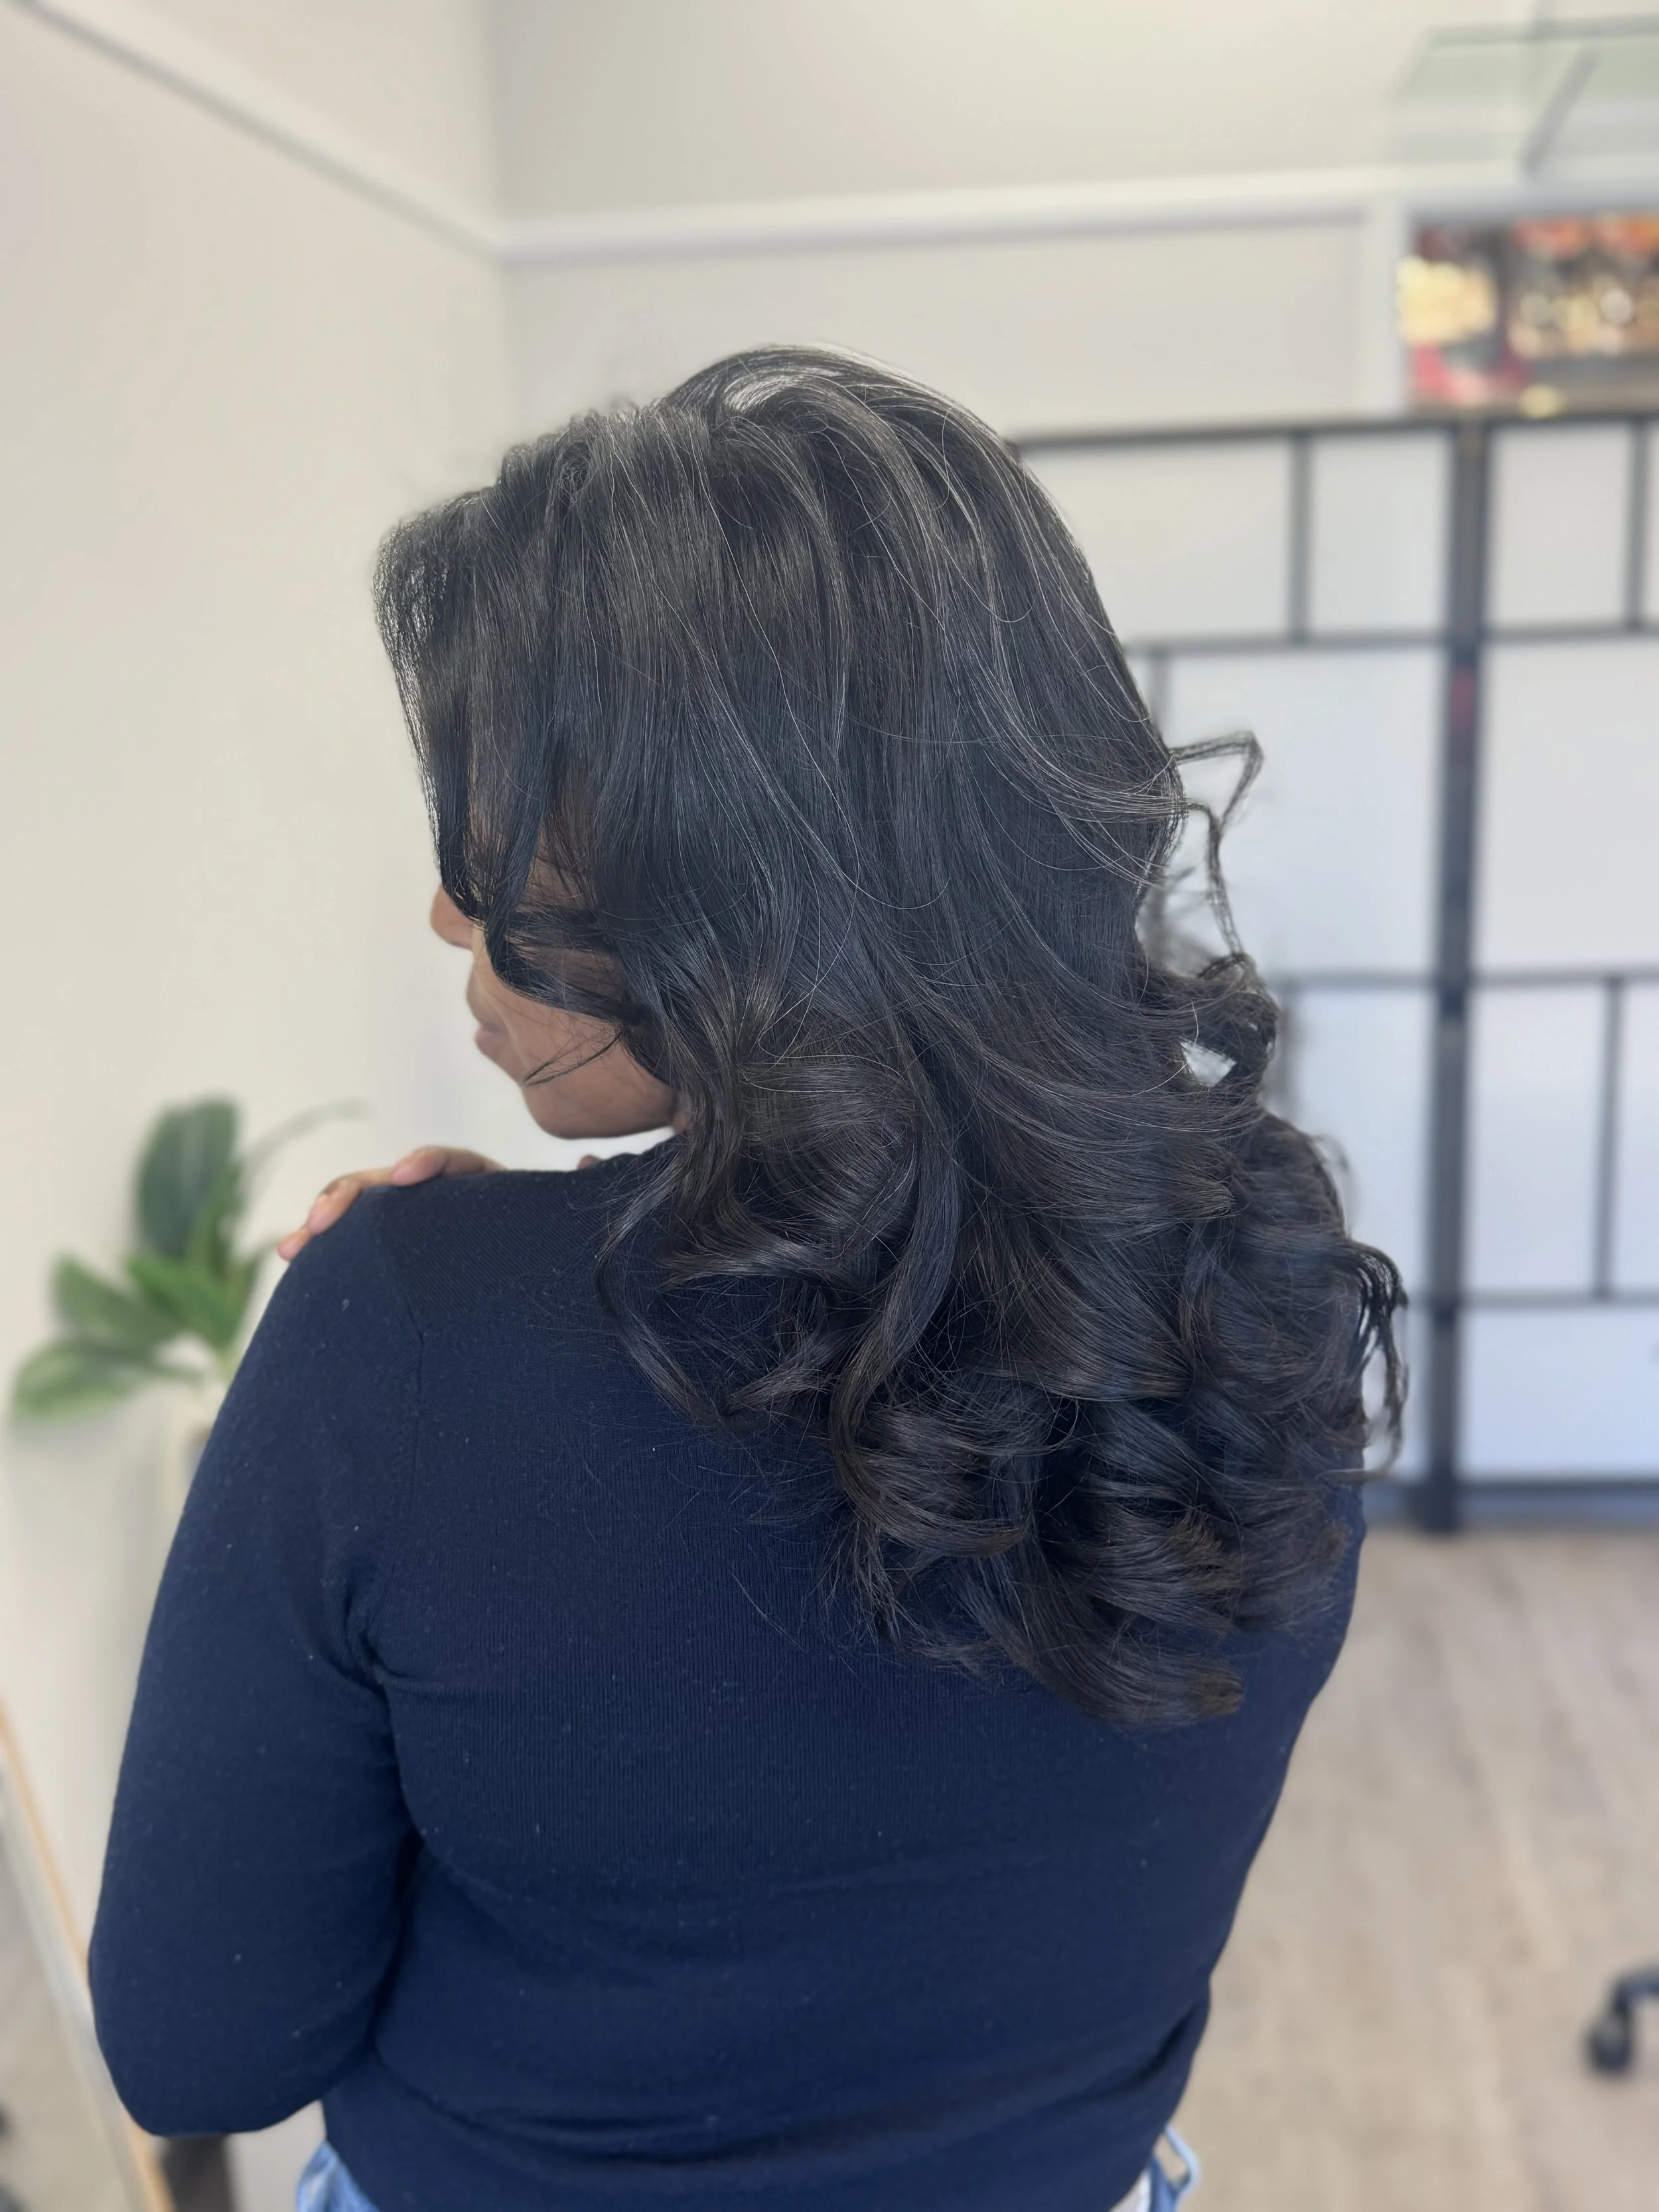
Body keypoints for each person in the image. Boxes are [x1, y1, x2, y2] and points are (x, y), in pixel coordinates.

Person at [90, 347, 1402, 2212]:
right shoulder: (1258, 1259)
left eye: (502, 840)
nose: (450, 911)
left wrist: (427, 1333)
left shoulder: (400, 1332)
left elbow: (202, 2050)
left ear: (752, 875)